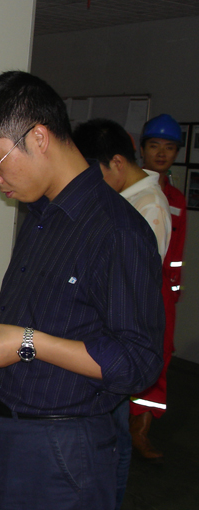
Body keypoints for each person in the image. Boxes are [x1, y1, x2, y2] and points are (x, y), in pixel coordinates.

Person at [0, 71, 164, 510]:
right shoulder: (41, 214)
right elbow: (64, 315)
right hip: (2, 433)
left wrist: (28, 343)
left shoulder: (117, 231)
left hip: (61, 449)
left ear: (39, 137)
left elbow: (137, 362)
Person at [73, 117, 171, 509]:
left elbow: (130, 282)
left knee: (114, 435)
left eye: (94, 174)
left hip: (118, 336)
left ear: (116, 162)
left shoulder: (148, 207)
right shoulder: (122, 198)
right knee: (105, 430)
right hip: (102, 332)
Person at [129, 113, 187, 460]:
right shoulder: (131, 190)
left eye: (169, 147)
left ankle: (141, 430)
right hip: (132, 285)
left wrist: (173, 294)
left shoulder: (176, 198)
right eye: (154, 146)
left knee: (159, 357)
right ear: (142, 149)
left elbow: (176, 254)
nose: (162, 153)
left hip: (162, 291)